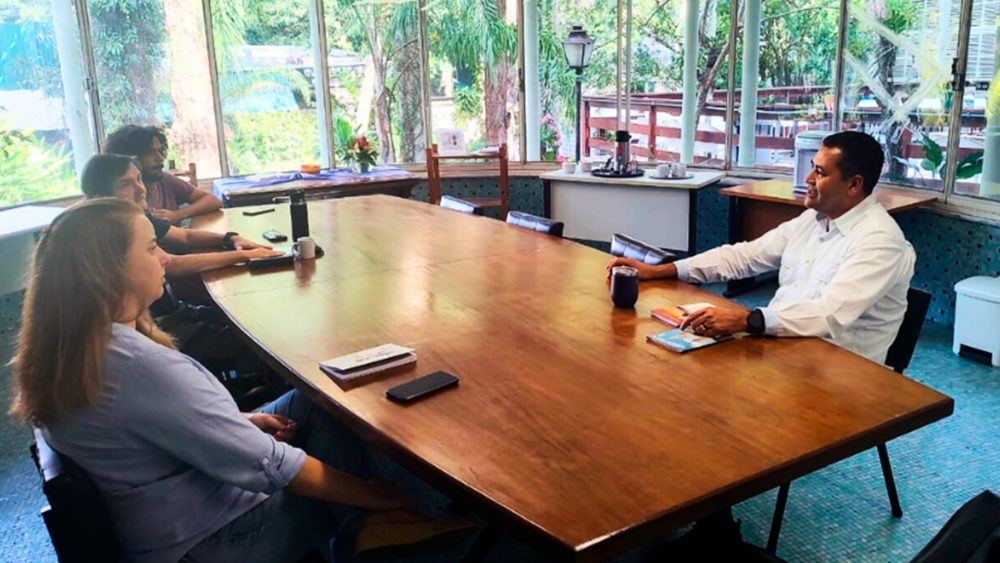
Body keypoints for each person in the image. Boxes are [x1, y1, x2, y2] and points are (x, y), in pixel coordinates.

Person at [9, 198, 470, 562]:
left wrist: (240, 420)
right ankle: (380, 522)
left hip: (169, 508)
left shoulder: (74, 342)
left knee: (315, 401)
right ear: (107, 269)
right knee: (343, 432)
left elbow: (151, 424)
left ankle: (368, 527)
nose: (164, 258)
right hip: (214, 538)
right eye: (150, 248)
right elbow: (274, 466)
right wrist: (374, 495)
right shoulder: (137, 366)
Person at [607, 130, 915, 365]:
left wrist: (746, 320)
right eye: (812, 167)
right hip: (783, 351)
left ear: (854, 185)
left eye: (820, 173)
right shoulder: (813, 219)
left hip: (840, 374)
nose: (807, 178)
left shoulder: (879, 241)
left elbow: (828, 315)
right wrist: (663, 270)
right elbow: (745, 256)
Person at [81, 153, 280, 276]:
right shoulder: (110, 227)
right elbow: (173, 264)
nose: (141, 189)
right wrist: (244, 255)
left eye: (139, 179)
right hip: (164, 319)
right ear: (100, 196)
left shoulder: (134, 215)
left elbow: (185, 236)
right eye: (126, 184)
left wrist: (231, 238)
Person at [103, 124, 223, 224]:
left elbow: (213, 200)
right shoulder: (123, 197)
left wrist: (178, 215)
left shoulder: (164, 180)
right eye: (149, 153)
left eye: (160, 151)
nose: (160, 158)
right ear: (129, 157)